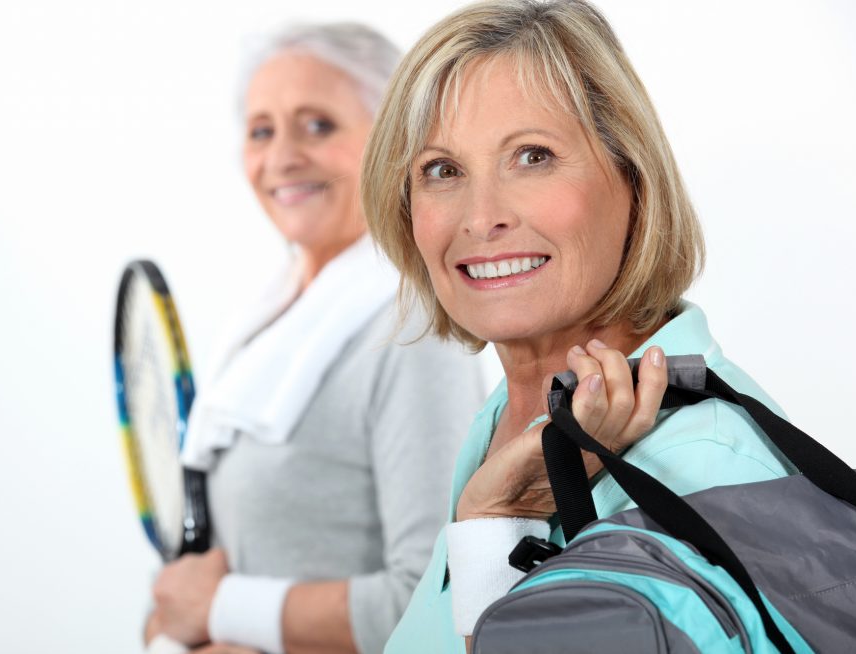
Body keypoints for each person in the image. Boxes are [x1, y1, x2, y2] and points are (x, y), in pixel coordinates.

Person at [360, 1, 797, 651]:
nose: (481, 217)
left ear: (632, 177)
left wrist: (491, 525)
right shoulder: (514, 411)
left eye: (531, 156)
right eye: (442, 170)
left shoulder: (703, 467)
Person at [144, 23, 488, 654]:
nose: (281, 157)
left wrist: (217, 609)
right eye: (261, 130)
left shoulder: (412, 334)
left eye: (318, 125)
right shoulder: (264, 323)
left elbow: (432, 597)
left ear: (390, 142)